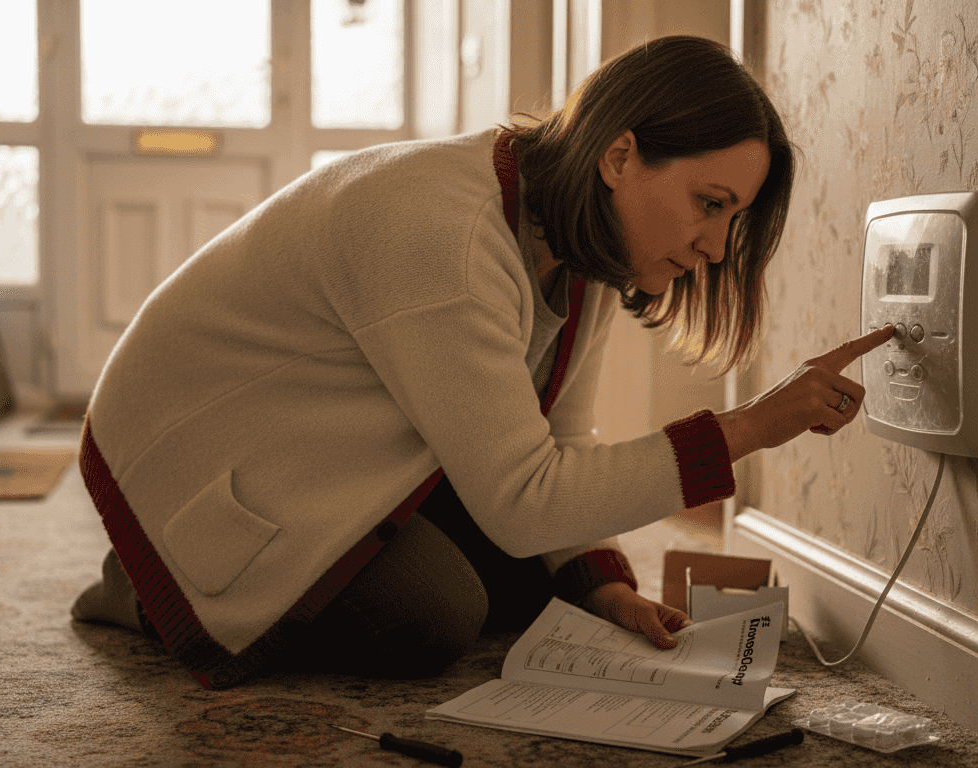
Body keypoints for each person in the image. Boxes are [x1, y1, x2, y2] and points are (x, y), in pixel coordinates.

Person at [70, 35, 895, 689]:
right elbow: (527, 502)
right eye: (709, 205)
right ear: (620, 157)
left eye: (732, 218)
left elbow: (560, 438)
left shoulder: (578, 238)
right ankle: (149, 581)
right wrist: (748, 428)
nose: (716, 246)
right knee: (435, 615)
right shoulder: (452, 237)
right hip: (193, 451)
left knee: (544, 587)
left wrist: (604, 584)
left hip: (326, 438)